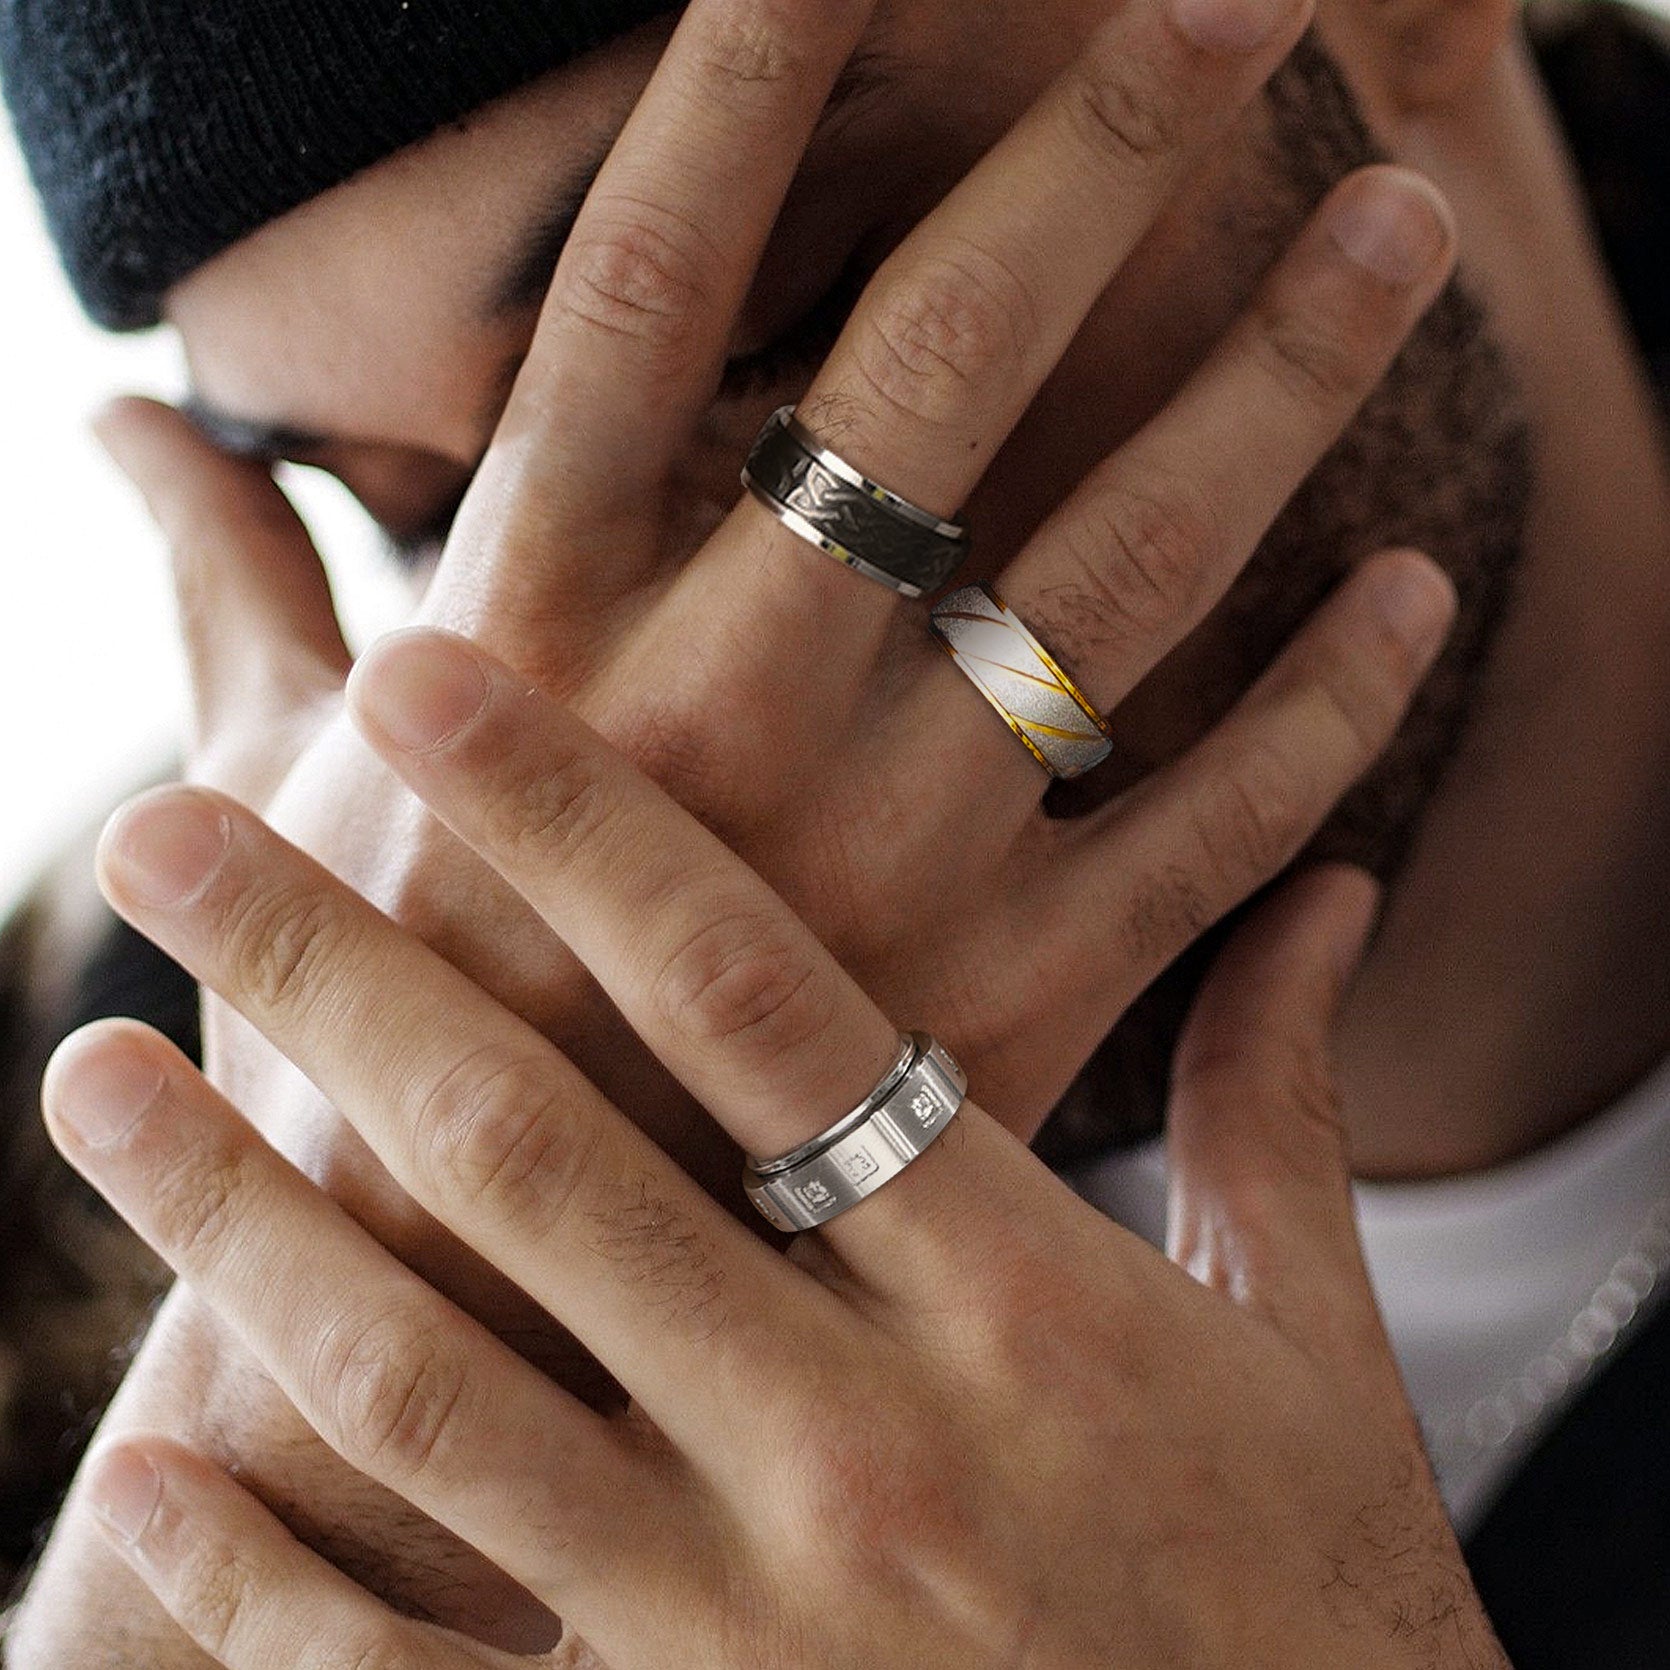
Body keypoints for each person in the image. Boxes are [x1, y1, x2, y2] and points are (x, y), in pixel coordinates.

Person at [0, 0, 1666, 1661]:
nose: (609, 708)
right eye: (421, 520)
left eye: (771, 333)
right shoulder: (158, 1119)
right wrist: (292, 1489)